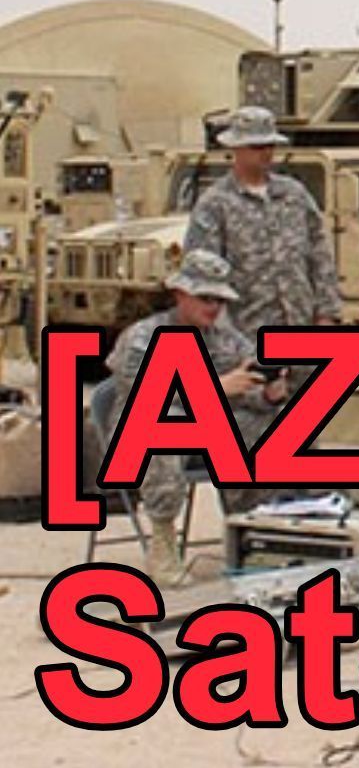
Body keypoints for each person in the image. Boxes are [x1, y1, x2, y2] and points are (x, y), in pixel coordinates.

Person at [110, 250, 291, 585]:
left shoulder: (225, 339)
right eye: (205, 298)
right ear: (180, 294)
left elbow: (245, 389)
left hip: (207, 431)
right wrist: (216, 387)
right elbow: (144, 394)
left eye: (220, 300)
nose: (214, 307)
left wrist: (267, 394)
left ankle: (248, 530)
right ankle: (163, 544)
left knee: (267, 429)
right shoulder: (141, 337)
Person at [183, 105, 344, 330]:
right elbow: (201, 276)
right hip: (246, 334)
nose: (266, 152)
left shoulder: (294, 195)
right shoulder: (215, 204)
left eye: (270, 145)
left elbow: (320, 257)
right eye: (256, 146)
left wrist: (327, 315)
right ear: (236, 148)